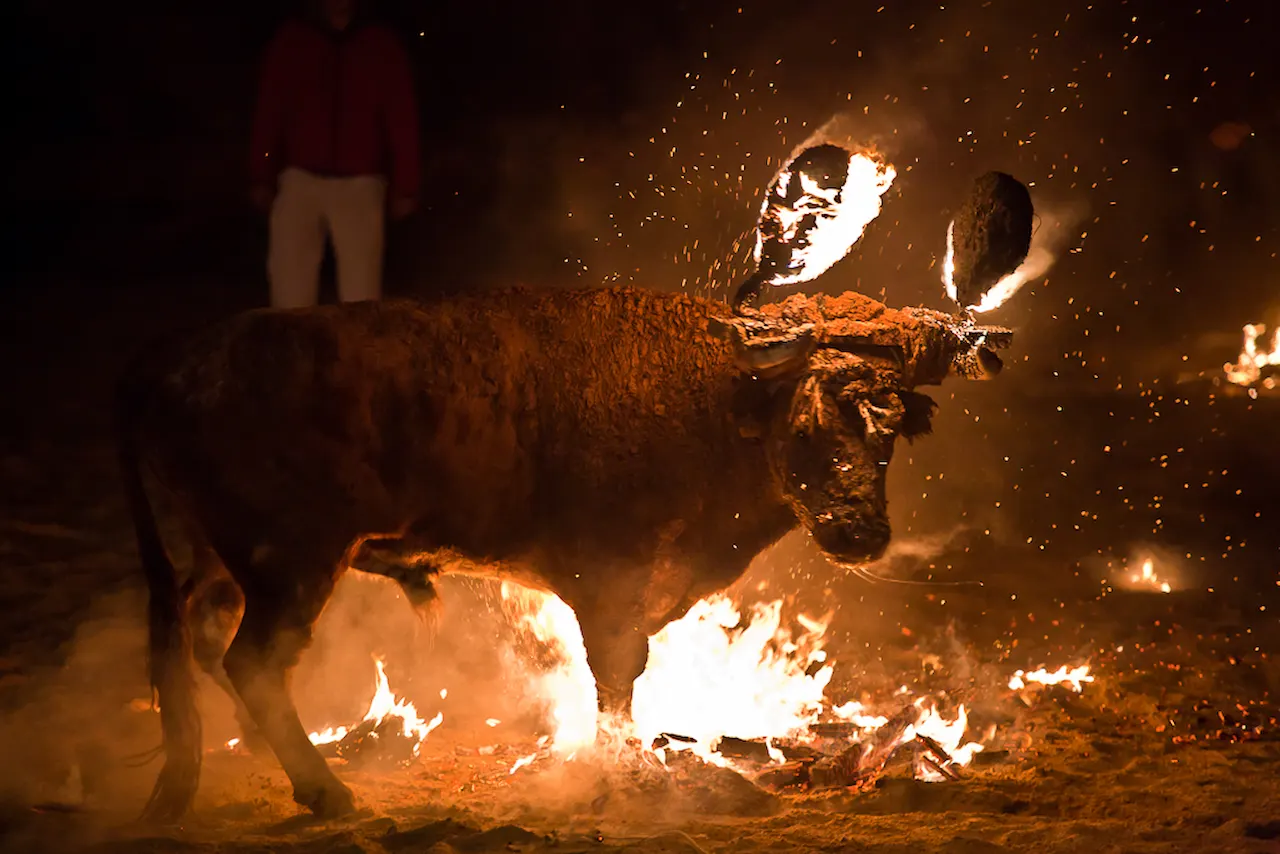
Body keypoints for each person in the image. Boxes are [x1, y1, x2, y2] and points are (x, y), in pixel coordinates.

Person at [250, 0, 420, 308]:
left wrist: (406, 184)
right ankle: (292, 356)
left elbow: (401, 116)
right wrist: (261, 174)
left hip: (360, 183)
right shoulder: (293, 41)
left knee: (361, 300)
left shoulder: (380, 45)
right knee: (289, 295)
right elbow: (270, 109)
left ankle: (358, 357)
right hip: (299, 178)